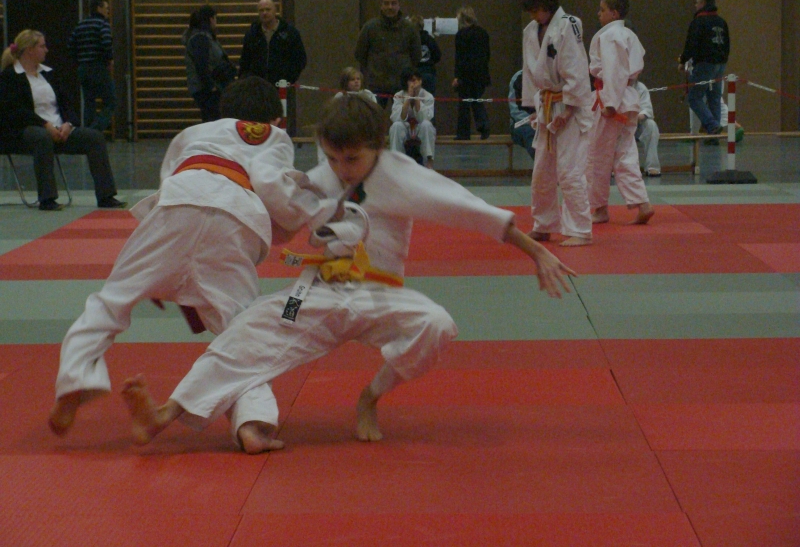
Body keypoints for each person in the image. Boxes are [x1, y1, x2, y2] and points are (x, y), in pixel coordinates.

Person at [120, 93, 576, 454]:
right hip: (314, 290)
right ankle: (166, 414)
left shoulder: (402, 176)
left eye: (352, 160)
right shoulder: (322, 177)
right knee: (250, 328)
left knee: (436, 324)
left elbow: (473, 211)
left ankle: (370, 398)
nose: (341, 169)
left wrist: (537, 253)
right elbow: (268, 223)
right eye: (332, 158)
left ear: (377, 146)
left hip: (379, 295)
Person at [48, 76, 339, 436]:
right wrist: (301, 220)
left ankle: (76, 376)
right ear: (275, 119)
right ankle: (252, 421)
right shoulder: (273, 136)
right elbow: (273, 189)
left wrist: (159, 270)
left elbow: (168, 179)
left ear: (223, 112)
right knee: (241, 329)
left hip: (177, 204)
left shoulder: (193, 133)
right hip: (236, 215)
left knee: (111, 301)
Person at [0, 30, 125, 211]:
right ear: (29, 50)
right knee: (42, 137)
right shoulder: (9, 76)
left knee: (94, 138)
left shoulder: (49, 73)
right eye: (42, 46)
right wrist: (45, 125)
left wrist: (68, 124)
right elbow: (15, 111)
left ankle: (106, 195)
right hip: (25, 132)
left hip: (59, 130)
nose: (46, 50)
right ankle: (47, 199)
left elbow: (66, 104)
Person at [519, 0, 593, 247]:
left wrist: (570, 109)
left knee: (569, 171)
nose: (532, 16)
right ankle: (544, 224)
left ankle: (580, 229)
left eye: (534, 10)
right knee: (542, 172)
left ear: (545, 5)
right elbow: (531, 73)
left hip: (567, 106)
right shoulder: (531, 30)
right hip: (547, 106)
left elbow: (577, 68)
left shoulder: (568, 25)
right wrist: (533, 107)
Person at [586, 0, 654, 225]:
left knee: (597, 155)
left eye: (602, 9)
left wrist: (610, 103)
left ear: (614, 13)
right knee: (626, 153)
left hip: (612, 99)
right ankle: (642, 203)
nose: (599, 13)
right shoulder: (629, 35)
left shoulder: (610, 35)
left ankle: (599, 208)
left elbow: (614, 70)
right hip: (629, 98)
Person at [238, 0, 307, 135]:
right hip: (258, 87)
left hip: (281, 87)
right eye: (261, 10)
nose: (264, 13)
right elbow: (244, 61)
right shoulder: (252, 34)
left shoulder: (290, 33)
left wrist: (289, 79)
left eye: (267, 9)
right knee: (257, 123)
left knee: (281, 121)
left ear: (275, 11)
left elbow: (300, 59)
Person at [355, 0, 421, 108]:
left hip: (402, 84)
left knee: (403, 118)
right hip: (376, 84)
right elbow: (360, 53)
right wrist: (373, 69)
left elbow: (416, 55)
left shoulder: (410, 28)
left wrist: (406, 71)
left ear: (399, 5)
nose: (390, 7)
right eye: (386, 3)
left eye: (393, 3)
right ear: (381, 5)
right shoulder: (370, 27)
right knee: (374, 117)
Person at [679, 0, 730, 136]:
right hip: (720, 64)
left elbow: (691, 44)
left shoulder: (699, 22)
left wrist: (683, 61)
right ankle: (714, 136)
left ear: (702, 3)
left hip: (705, 63)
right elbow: (727, 45)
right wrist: (722, 61)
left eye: (697, 2)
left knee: (694, 97)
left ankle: (712, 125)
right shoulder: (721, 22)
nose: (695, 5)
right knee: (714, 98)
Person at [67, 0, 115, 132]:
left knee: (89, 103)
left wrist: (79, 61)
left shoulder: (81, 24)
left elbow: (70, 46)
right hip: (98, 67)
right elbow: (107, 43)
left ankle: (87, 135)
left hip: (83, 68)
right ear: (99, 8)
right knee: (111, 102)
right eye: (106, 8)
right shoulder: (102, 24)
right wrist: (110, 59)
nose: (108, 11)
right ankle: (95, 130)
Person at [182, 5, 237, 122]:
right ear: (211, 19)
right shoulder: (201, 38)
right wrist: (211, 87)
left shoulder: (201, 36)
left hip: (208, 89)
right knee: (213, 120)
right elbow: (202, 65)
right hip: (208, 91)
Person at [315, 67, 377, 164]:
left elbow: (375, 115)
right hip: (345, 129)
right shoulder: (339, 97)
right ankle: (324, 164)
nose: (356, 81)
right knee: (322, 134)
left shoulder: (368, 95)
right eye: (352, 79)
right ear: (345, 82)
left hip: (364, 129)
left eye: (358, 79)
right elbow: (333, 117)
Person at [452, 6, 491, 140]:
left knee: (464, 104)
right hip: (480, 74)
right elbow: (487, 55)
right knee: (477, 101)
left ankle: (463, 133)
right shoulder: (483, 33)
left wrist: (457, 76)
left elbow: (459, 57)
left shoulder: (461, 35)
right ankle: (484, 126)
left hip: (465, 74)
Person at [390, 67, 436, 168]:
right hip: (405, 127)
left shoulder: (428, 96)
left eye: (418, 79)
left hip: (420, 127)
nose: (416, 82)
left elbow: (425, 118)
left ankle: (428, 161)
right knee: (396, 126)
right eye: (412, 80)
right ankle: (397, 162)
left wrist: (416, 98)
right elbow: (398, 117)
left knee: (427, 125)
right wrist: (408, 97)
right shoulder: (399, 95)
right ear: (406, 82)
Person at [408, 14, 441, 95]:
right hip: (429, 72)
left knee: (414, 99)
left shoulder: (410, 40)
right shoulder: (430, 39)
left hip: (414, 74)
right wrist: (430, 62)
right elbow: (438, 55)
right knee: (428, 99)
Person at [634, 81, 661, 176]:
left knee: (651, 125)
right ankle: (614, 167)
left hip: (637, 125)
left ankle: (652, 166)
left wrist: (633, 117)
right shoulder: (615, 85)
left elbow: (647, 110)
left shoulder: (641, 88)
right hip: (620, 125)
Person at [508, 69, 536, 161]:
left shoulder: (550, 76)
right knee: (532, 134)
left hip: (546, 121)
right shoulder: (519, 77)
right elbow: (517, 113)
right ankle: (544, 167)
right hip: (522, 124)